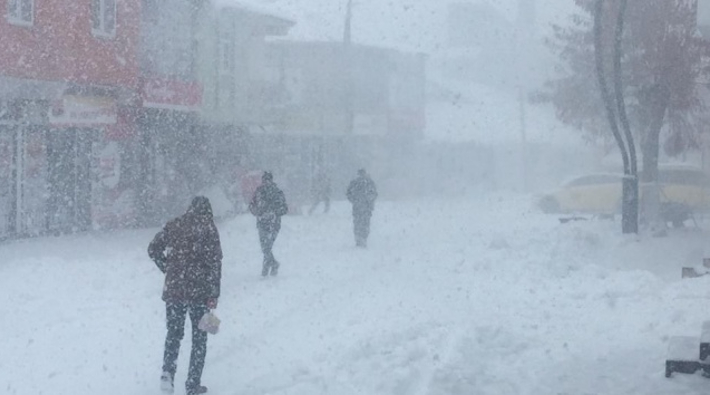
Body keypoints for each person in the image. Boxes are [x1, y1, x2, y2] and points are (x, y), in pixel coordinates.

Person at [148, 196, 222, 395]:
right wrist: (213, 293)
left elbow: (153, 248)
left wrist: (169, 269)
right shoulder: (208, 228)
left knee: (174, 334)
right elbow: (215, 263)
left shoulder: (174, 225)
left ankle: (167, 374)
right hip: (199, 291)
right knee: (199, 338)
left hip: (175, 290)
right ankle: (192, 384)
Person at [249, 171, 288, 277]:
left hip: (272, 223)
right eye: (264, 180)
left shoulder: (276, 192)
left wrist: (274, 211)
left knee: (266, 247)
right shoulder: (260, 192)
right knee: (265, 247)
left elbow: (284, 209)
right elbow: (252, 206)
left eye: (267, 180)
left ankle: (267, 267)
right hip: (266, 223)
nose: (266, 182)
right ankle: (272, 265)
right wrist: (258, 212)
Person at [346, 169, 378, 248]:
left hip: (359, 207)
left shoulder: (354, 182)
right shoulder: (369, 182)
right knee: (364, 223)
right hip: (365, 207)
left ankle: (359, 238)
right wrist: (369, 200)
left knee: (358, 222)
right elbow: (374, 194)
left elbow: (348, 193)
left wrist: (354, 200)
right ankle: (362, 238)